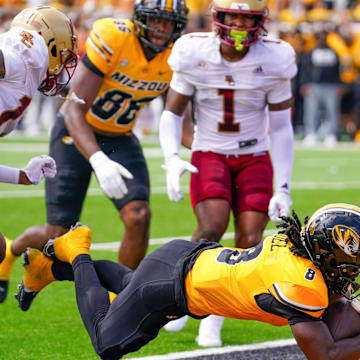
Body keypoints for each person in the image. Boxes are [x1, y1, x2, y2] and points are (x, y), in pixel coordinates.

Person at [0, 0, 189, 302]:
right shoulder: (114, 37)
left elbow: (182, 121)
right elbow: (73, 109)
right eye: (156, 20)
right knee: (57, 233)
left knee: (138, 215)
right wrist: (98, 160)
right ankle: (12, 251)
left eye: (168, 23)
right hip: (75, 132)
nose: (161, 29)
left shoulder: (177, 56)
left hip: (119, 136)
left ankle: (121, 300)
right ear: (140, 19)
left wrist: (209, 153)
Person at [15, 203, 360, 360]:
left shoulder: (292, 244)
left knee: (132, 283)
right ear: (326, 255)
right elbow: (325, 353)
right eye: (350, 264)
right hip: (171, 288)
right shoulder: (301, 286)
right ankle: (76, 252)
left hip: (185, 256)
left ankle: (48, 269)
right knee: (107, 344)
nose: (352, 272)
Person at [159, 0, 297, 346]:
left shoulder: (276, 57)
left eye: (246, 17)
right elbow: (173, 112)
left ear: (259, 21)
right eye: (232, 15)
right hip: (210, 153)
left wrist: (283, 187)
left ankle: (213, 317)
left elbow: (281, 128)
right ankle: (177, 299)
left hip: (254, 156)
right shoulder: (193, 51)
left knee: (251, 238)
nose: (238, 23)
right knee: (211, 227)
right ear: (217, 17)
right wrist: (172, 157)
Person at [0, 5, 78, 298]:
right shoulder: (22, 57)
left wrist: (21, 176)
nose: (66, 61)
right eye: (65, 51)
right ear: (50, 43)